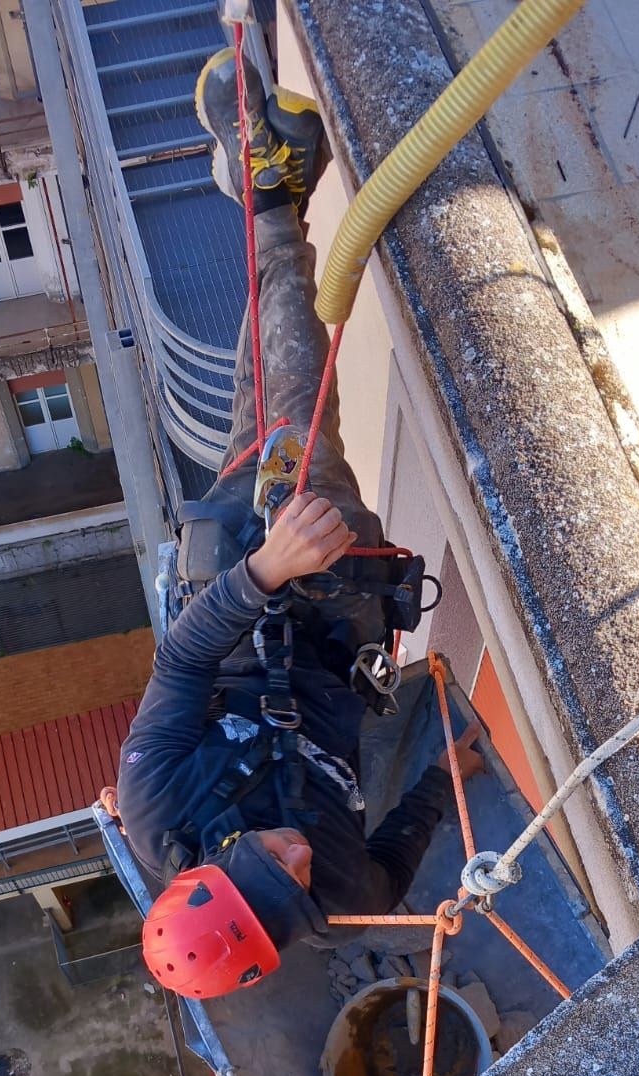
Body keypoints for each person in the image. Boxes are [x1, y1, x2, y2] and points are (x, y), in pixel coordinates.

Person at [116, 48, 483, 1001]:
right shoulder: (325, 901)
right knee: (283, 403)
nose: (298, 858)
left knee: (263, 405)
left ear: (210, 867)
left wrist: (265, 571)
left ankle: (273, 196)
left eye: (269, 863)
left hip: (254, 581)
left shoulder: (158, 810)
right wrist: (447, 779)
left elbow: (184, 665)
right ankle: (273, 195)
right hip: (338, 597)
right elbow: (393, 864)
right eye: (296, 886)